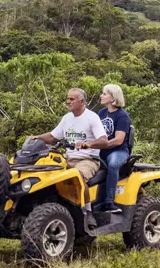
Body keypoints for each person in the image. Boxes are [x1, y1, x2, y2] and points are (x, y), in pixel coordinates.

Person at [32, 88, 108, 227]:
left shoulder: (92, 118)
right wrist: (36, 138)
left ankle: (88, 213)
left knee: (77, 176)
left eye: (72, 99)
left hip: (87, 160)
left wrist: (88, 144)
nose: (68, 101)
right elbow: (53, 137)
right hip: (67, 159)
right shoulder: (67, 118)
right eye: (68, 98)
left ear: (82, 101)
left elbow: (104, 140)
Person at [85, 83, 132, 214]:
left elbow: (118, 139)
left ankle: (109, 202)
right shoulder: (101, 113)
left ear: (113, 98)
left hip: (118, 150)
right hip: (101, 150)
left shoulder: (122, 116)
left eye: (104, 94)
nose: (101, 96)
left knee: (112, 164)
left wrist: (101, 144)